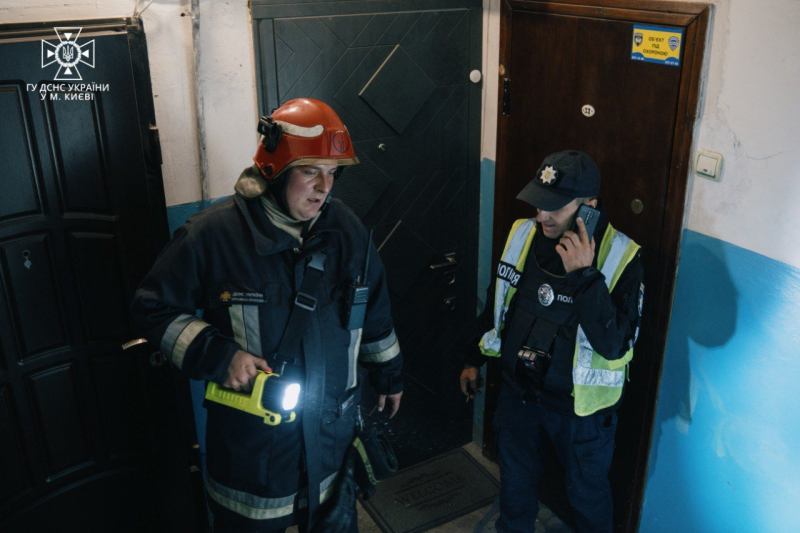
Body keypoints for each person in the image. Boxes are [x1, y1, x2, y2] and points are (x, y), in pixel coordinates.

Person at [130, 98, 403, 532]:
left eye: (333, 174)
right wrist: (218, 357)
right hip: (254, 456)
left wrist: (389, 376)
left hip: (332, 444)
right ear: (274, 169)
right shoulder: (212, 236)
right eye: (311, 170)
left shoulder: (348, 231)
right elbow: (152, 309)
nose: (324, 188)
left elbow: (374, 311)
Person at [460, 151, 644, 532]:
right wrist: (471, 357)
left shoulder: (621, 257)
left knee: (588, 500)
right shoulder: (523, 234)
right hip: (520, 396)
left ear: (589, 207)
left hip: (579, 415)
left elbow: (615, 346)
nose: (542, 216)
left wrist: (584, 276)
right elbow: (498, 305)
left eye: (555, 208)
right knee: (515, 489)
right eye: (539, 203)